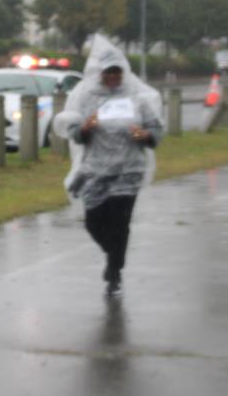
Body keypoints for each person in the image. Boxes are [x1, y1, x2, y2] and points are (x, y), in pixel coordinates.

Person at [54, 35, 164, 294]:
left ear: (123, 73)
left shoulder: (136, 98)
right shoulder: (87, 97)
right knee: (93, 222)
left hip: (129, 171)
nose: (113, 76)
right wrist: (85, 128)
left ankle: (114, 270)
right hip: (96, 170)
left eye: (117, 72)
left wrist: (145, 135)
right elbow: (75, 133)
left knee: (120, 224)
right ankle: (113, 254)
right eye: (109, 72)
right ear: (100, 73)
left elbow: (155, 129)